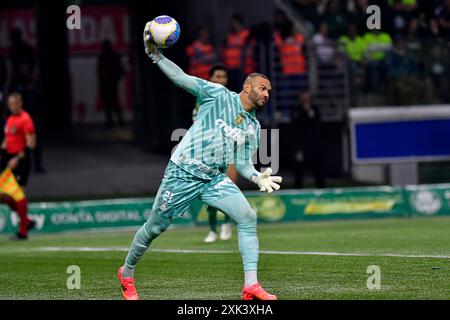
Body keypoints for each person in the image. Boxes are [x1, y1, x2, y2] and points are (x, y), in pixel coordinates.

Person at [117, 24, 283, 301]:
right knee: (155, 227)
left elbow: (242, 163)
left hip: (213, 179)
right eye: (263, 88)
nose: (267, 93)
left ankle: (250, 286)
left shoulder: (253, 127)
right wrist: (155, 56)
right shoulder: (218, 95)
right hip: (182, 172)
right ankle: (127, 272)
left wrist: (256, 177)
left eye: (269, 91)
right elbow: (181, 78)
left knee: (247, 217)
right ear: (248, 87)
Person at [192, 64, 235, 243]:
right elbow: (197, 124)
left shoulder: (232, 99)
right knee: (208, 191)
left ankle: (226, 222)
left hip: (229, 150)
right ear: (210, 79)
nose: (221, 80)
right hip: (208, 152)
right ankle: (211, 229)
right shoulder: (202, 99)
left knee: (228, 188)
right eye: (217, 77)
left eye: (223, 77)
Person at [0, 92, 36, 240]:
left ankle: (23, 232)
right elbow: (7, 141)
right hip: (9, 162)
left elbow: (31, 143)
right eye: (10, 104)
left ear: (20, 103)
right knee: (3, 195)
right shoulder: (9, 119)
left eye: (14, 103)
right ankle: (26, 221)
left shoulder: (25, 119)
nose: (12, 106)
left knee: (19, 195)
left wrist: (17, 158)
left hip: (21, 161)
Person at [292, 91, 325, 189]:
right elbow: (295, 124)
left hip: (314, 144)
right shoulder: (297, 110)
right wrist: (305, 112)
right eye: (303, 96)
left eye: (307, 96)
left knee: (317, 167)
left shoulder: (315, 109)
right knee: (299, 168)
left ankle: (321, 188)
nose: (305, 98)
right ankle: (297, 189)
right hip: (301, 145)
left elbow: (318, 123)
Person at [97, 39, 125, 128]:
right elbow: (100, 71)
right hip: (108, 84)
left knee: (113, 104)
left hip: (110, 84)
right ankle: (113, 121)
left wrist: (114, 80)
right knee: (110, 104)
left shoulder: (110, 56)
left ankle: (116, 121)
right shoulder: (106, 56)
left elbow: (120, 70)